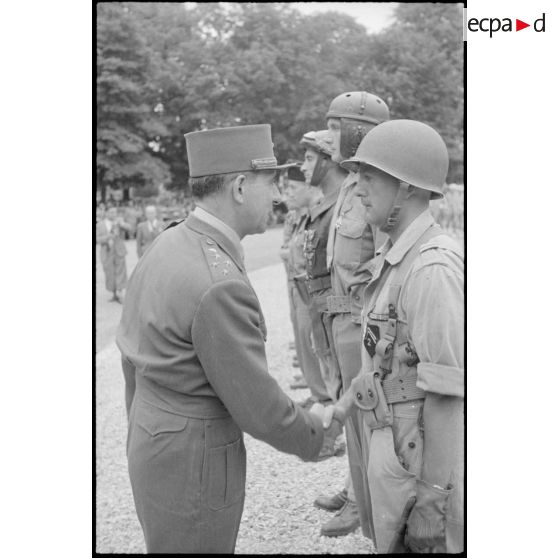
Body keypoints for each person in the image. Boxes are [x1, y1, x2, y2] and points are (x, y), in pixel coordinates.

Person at [116, 124, 332, 554]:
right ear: (238, 187)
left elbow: (129, 358)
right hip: (194, 463)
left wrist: (149, 429)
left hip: (154, 438)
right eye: (271, 182)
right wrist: (316, 433)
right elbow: (259, 408)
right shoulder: (219, 284)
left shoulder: (167, 243)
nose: (277, 196)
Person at [325, 119, 464, 553]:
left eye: (370, 176)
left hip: (420, 459)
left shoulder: (430, 269)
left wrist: (432, 501)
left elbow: (448, 394)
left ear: (405, 188)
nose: (358, 188)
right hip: (399, 441)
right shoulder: (397, 257)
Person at [316, 91, 391, 538]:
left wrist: (348, 318)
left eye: (336, 127)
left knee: (365, 421)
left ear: (359, 132)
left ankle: (368, 513)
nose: (329, 136)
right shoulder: (350, 182)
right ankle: (357, 495)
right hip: (342, 322)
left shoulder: (374, 185)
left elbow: (380, 270)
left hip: (361, 326)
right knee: (353, 419)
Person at [282, 165, 329, 406]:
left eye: (292, 187)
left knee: (316, 347)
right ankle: (319, 395)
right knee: (305, 343)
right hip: (299, 287)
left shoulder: (319, 216)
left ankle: (324, 398)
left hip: (311, 292)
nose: (286, 193)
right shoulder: (302, 218)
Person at [96, 205, 131, 302]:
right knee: (110, 274)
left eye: (115, 212)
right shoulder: (99, 225)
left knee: (120, 273)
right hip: (107, 252)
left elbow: (130, 228)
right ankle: (114, 294)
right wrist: (109, 237)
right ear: (106, 213)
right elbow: (97, 239)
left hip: (119, 251)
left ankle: (120, 294)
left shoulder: (119, 222)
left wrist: (122, 224)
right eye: (111, 212)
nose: (113, 214)